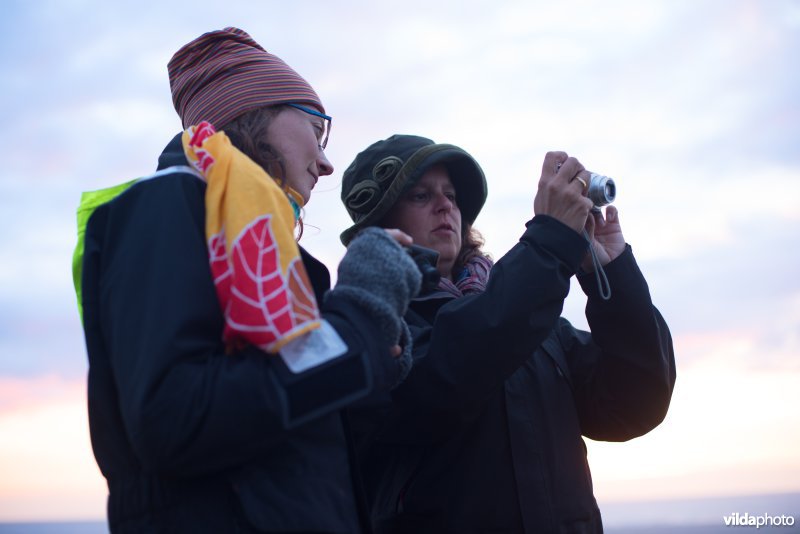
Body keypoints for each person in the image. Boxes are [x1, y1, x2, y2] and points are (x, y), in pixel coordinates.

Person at [77, 29, 421, 533]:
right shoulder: (166, 204)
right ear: (253, 112)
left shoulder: (261, 246)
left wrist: (375, 352)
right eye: (316, 128)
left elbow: (291, 424)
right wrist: (359, 317)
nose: (326, 164)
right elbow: (177, 421)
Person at [339, 134, 676, 533]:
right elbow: (452, 370)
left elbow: (636, 402)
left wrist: (612, 272)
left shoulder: (532, 320)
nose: (446, 205)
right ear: (381, 226)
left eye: (452, 195)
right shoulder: (369, 325)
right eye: (420, 196)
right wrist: (550, 240)